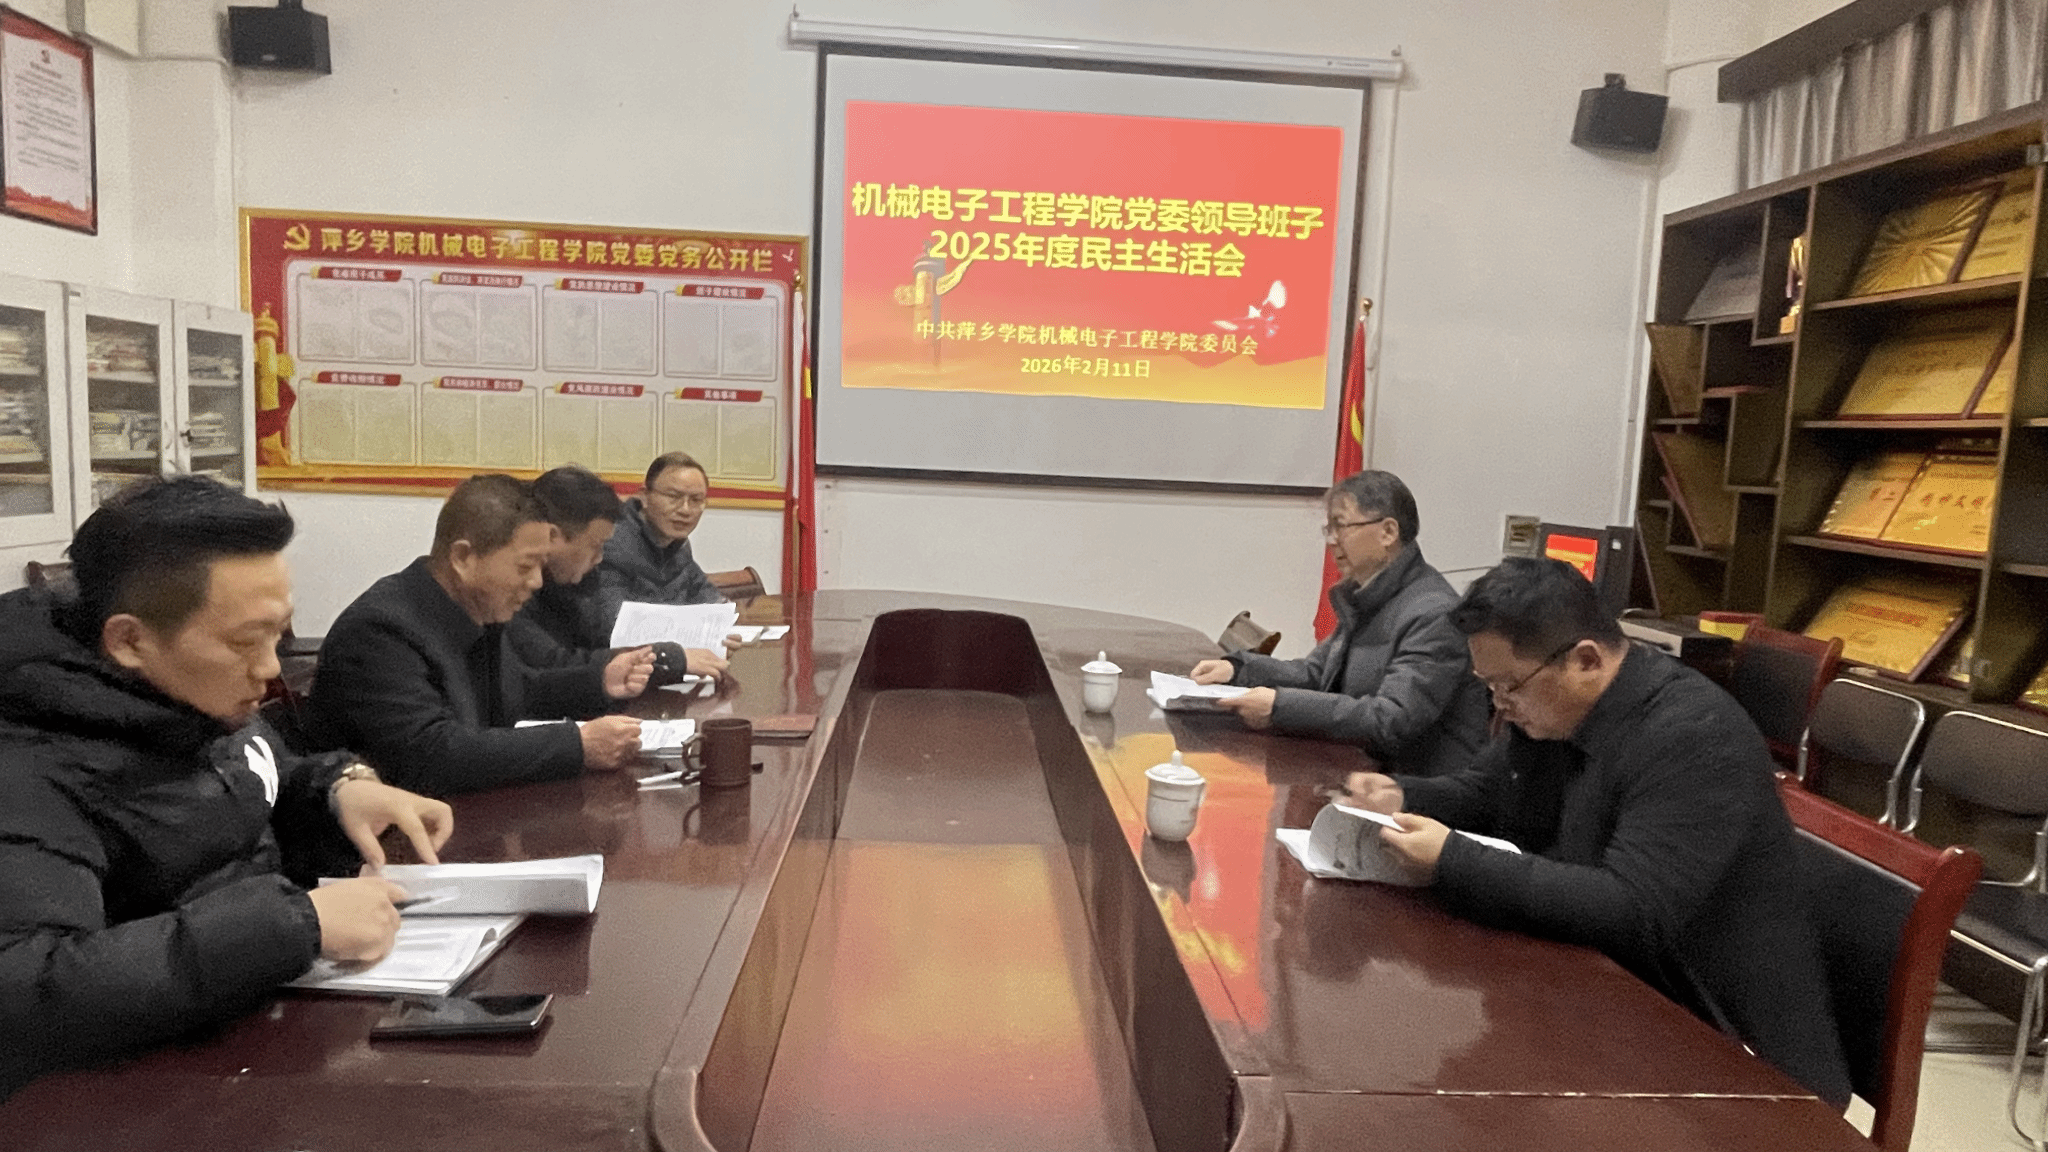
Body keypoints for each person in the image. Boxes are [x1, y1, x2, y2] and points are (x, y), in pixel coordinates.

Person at [0, 476, 452, 1099]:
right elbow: (27, 989)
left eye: (279, 633)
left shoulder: (185, 696)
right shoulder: (28, 764)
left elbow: (252, 784)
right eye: (245, 641)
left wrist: (338, 788)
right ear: (129, 640)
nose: (271, 668)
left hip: (248, 1038)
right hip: (125, 1100)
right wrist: (297, 925)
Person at [1345, 557, 1852, 1106]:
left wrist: (1453, 859)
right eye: (1488, 686)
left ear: (1585, 660)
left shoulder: (1693, 735)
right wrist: (1403, 795)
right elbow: (1490, 793)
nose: (1500, 705)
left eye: (1509, 685)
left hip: (1733, 1053)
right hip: (1617, 1000)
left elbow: (1633, 909)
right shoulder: (1554, 711)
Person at [310, 474, 655, 796]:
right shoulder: (381, 631)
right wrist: (576, 745)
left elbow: (518, 692)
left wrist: (598, 681)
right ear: (463, 557)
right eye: (525, 566)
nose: (536, 581)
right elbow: (431, 754)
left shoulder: (476, 608)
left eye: (541, 565)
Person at [1188, 470, 1488, 776]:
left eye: (1341, 526)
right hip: (1355, 770)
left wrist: (1280, 707)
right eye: (1328, 529)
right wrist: (1239, 670)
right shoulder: (1367, 595)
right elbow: (1317, 673)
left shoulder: (1434, 613)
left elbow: (1391, 719)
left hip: (1409, 788)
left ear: (1388, 532)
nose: (1332, 541)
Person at [522, 465, 727, 680]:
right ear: (552, 537)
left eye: (696, 500)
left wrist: (714, 635)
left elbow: (593, 645)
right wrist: (671, 658)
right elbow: (559, 661)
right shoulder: (519, 592)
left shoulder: (676, 546)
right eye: (596, 545)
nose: (599, 558)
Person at [595, 452, 724, 631]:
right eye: (673, 497)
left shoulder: (678, 545)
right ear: (644, 496)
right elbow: (618, 624)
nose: (685, 510)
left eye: (696, 500)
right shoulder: (612, 542)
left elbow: (712, 603)